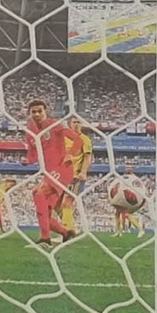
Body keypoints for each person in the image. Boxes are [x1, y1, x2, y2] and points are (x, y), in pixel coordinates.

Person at [27, 97, 93, 243]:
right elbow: (32, 154)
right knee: (45, 209)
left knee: (42, 195)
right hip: (50, 173)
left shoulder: (55, 125)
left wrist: (78, 165)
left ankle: (45, 238)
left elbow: (80, 144)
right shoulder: (30, 131)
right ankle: (66, 232)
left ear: (46, 112)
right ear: (30, 114)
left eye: (40, 111)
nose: (37, 114)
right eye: (34, 112)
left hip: (65, 171)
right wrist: (27, 161)